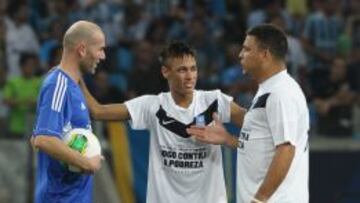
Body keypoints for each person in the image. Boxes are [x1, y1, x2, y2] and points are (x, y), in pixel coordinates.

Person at [79, 41, 246, 203]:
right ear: (165, 72)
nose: (190, 76)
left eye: (193, 69)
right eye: (182, 70)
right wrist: (76, 75)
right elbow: (97, 111)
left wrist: (228, 140)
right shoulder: (152, 106)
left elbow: (261, 132)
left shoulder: (215, 101)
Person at [187, 24, 309, 203]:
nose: (240, 54)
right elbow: (263, 145)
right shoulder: (268, 90)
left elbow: (286, 149)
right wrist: (228, 139)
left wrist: (260, 199)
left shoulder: (281, 93)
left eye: (246, 49)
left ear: (264, 54)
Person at [31, 21, 104, 203]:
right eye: (100, 49)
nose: (102, 56)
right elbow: (43, 139)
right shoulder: (58, 84)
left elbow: (37, 138)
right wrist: (88, 163)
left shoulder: (71, 85)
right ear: (81, 49)